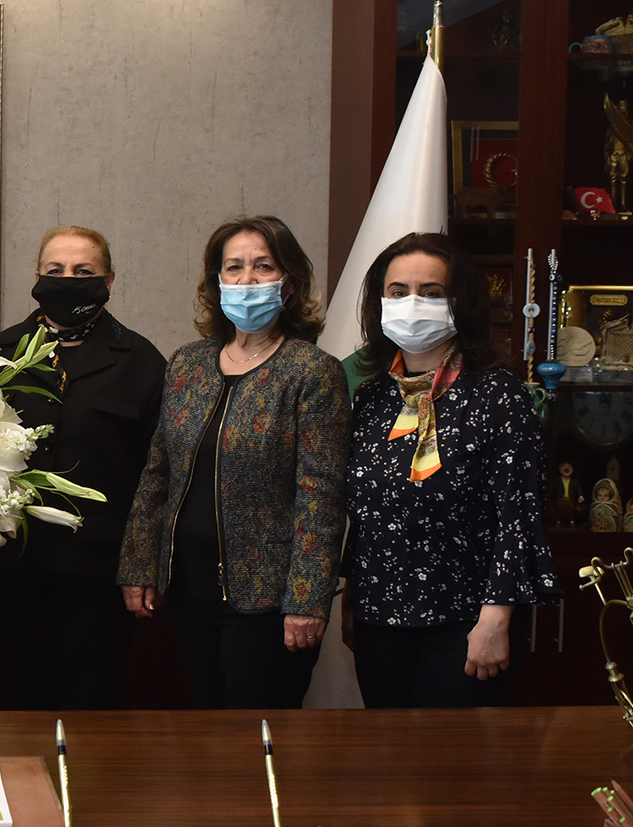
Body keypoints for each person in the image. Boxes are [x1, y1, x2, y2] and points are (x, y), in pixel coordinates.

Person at [117, 215, 348, 709]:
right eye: (234, 267)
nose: (247, 280)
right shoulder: (188, 364)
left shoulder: (312, 371)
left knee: (255, 734)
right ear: (217, 280)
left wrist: (308, 599)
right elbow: (158, 474)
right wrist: (138, 564)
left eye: (263, 266)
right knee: (205, 730)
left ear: (289, 283)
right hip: (187, 590)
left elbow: (321, 497)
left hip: (268, 601)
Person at [0, 226, 165, 710]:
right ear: (37, 276)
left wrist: (143, 562)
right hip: (12, 562)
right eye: (55, 270)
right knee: (22, 695)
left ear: (109, 280)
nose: (68, 279)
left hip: (99, 569)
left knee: (92, 698)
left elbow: (156, 474)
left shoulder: (141, 361)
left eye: (83, 271)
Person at [343, 231, 557, 708]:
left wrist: (496, 619)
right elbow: (366, 513)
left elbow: (519, 518)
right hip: (379, 623)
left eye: (431, 292)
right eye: (398, 291)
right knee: (388, 751)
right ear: (379, 304)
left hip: (466, 624)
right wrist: (352, 601)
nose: (412, 303)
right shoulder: (373, 398)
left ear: (460, 303)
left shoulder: (500, 396)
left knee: (454, 755)